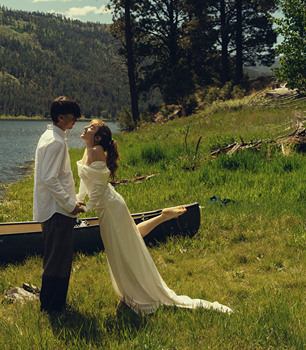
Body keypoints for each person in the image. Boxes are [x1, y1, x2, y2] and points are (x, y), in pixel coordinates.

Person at [77, 119, 233, 315]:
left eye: (90, 127)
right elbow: (87, 180)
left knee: (123, 247)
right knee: (126, 243)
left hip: (108, 206)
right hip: (106, 205)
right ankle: (162, 217)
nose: (85, 128)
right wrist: (78, 199)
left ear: (98, 137)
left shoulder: (96, 150)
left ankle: (134, 293)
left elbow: (99, 184)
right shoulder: (88, 150)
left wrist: (86, 208)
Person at [33, 96, 86, 314]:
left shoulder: (50, 136)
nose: (76, 121)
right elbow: (50, 178)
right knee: (59, 259)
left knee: (56, 257)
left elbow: (56, 178)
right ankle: (53, 307)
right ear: (60, 117)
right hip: (57, 210)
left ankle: (52, 304)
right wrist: (69, 204)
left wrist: (71, 200)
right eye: (73, 117)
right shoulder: (55, 142)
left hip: (53, 208)